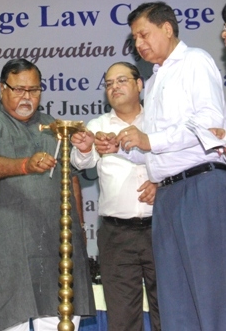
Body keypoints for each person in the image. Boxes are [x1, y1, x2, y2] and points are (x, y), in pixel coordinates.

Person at [98, 2, 226, 330]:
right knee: (174, 301)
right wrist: (121, 148)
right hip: (166, 198)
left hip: (200, 186)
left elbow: (211, 127)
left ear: (167, 28)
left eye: (144, 34)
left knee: (209, 294)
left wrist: (149, 141)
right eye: (134, 38)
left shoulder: (195, 61)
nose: (139, 44)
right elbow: (154, 150)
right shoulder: (154, 83)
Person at [0, 58, 95, 331]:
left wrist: (78, 227)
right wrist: (24, 165)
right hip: (6, 248)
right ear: (2, 88)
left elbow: (72, 179)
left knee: (60, 318)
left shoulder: (55, 127)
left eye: (34, 90)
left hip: (57, 246)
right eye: (19, 89)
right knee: (9, 319)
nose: (27, 97)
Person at [70, 61, 160, 331]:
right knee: (122, 319)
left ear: (139, 85)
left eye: (121, 81)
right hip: (116, 234)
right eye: (109, 84)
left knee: (168, 310)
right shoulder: (98, 125)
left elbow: (179, 161)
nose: (114, 87)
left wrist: (161, 183)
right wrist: (85, 149)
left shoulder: (159, 119)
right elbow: (81, 162)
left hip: (160, 229)